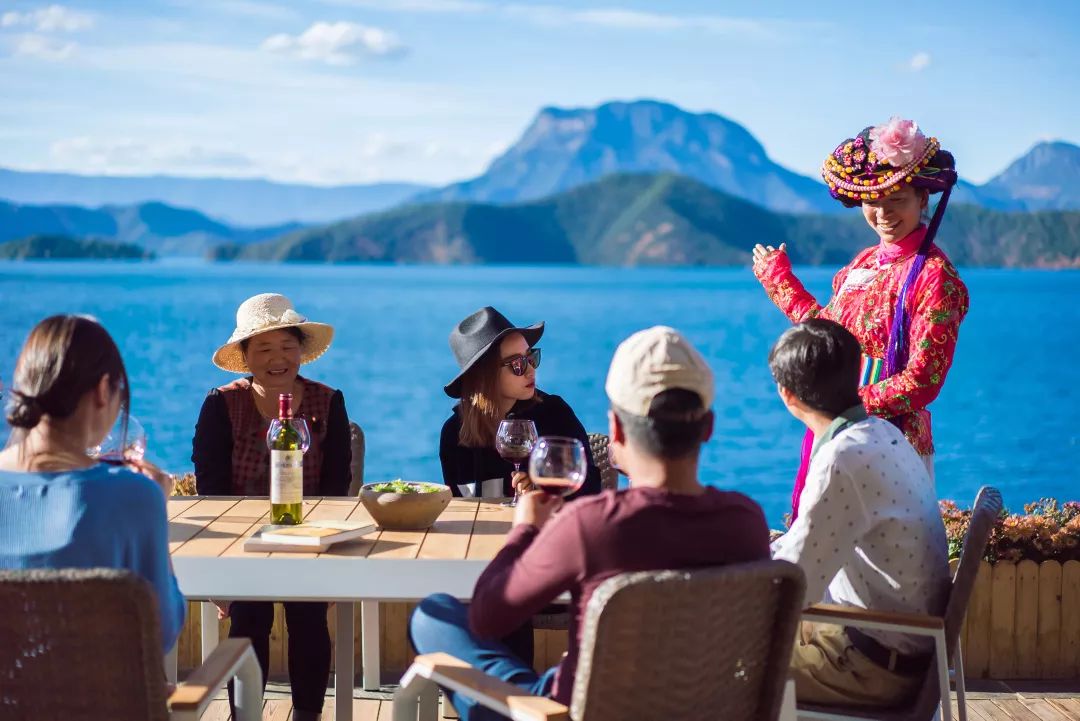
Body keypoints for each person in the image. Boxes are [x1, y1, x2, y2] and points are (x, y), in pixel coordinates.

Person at [412, 326, 771, 720]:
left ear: (616, 431)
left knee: (433, 616)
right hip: (700, 708)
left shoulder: (592, 527)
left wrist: (525, 530)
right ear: (709, 427)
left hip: (580, 708)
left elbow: (487, 615)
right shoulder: (746, 522)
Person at [752, 117, 969, 520]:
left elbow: (922, 382)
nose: (884, 213)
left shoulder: (936, 279)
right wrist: (780, 282)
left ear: (923, 200)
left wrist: (840, 403)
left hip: (892, 445)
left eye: (897, 200)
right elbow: (828, 336)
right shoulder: (862, 264)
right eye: (874, 201)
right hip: (838, 432)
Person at [768, 319, 949, 707]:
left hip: (872, 668)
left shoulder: (842, 459)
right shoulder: (885, 434)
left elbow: (794, 588)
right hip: (901, 646)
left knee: (723, 671)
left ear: (788, 396)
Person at [192, 292, 351, 721]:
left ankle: (307, 715)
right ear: (245, 356)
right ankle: (245, 715)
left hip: (310, 539)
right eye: (263, 347)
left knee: (308, 617)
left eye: (287, 346)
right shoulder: (221, 404)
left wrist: (332, 557)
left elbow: (338, 486)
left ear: (301, 350)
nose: (277, 358)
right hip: (241, 545)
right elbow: (210, 491)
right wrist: (218, 569)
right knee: (249, 618)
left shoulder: (328, 400)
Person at [0, 314, 185, 653]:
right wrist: (156, 508)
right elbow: (161, 633)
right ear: (103, 390)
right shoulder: (133, 497)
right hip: (103, 704)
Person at [439, 306, 601, 500]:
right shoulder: (454, 433)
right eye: (517, 364)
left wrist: (543, 488)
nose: (531, 370)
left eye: (531, 358)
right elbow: (459, 506)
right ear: (484, 377)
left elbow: (592, 487)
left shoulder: (554, 414)